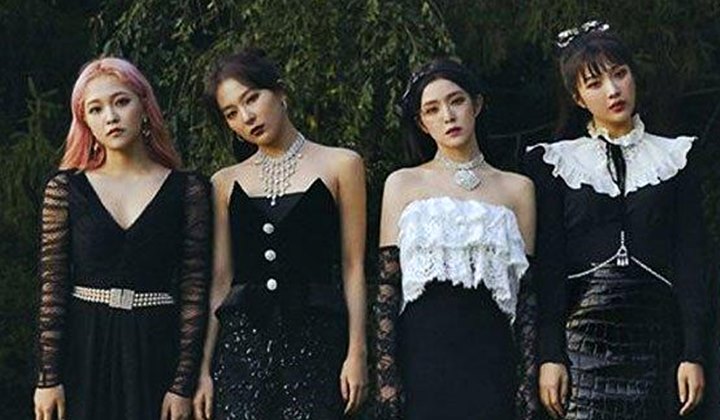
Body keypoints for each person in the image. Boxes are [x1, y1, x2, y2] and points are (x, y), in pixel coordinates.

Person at [527, 21, 711, 420]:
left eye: (620, 74)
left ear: (633, 76)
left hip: (659, 343)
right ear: (577, 97)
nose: (613, 90)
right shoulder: (555, 163)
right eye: (595, 83)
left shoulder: (676, 157)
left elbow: (692, 261)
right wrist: (550, 354)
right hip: (581, 345)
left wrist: (694, 352)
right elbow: (549, 267)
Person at [32, 57, 211, 420]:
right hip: (84, 349)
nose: (111, 117)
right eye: (95, 109)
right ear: (85, 122)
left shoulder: (189, 190)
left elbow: (195, 287)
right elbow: (53, 286)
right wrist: (48, 378)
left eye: (121, 102)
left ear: (144, 107)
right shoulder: (66, 189)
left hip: (155, 348)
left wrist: (182, 384)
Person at [193, 49, 367, 419]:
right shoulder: (223, 182)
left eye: (252, 98)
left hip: (316, 344)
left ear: (280, 92)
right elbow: (221, 280)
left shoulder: (342, 164)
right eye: (231, 113)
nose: (247, 117)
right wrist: (203, 369)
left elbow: (353, 267)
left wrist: (357, 351)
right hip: (242, 349)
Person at [372, 57, 538, 420]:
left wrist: (528, 379)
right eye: (432, 109)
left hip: (492, 357)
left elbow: (527, 296)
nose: (448, 116)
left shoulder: (518, 188)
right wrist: (386, 378)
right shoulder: (402, 183)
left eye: (456, 101)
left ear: (476, 105)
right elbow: (387, 289)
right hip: (423, 357)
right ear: (422, 123)